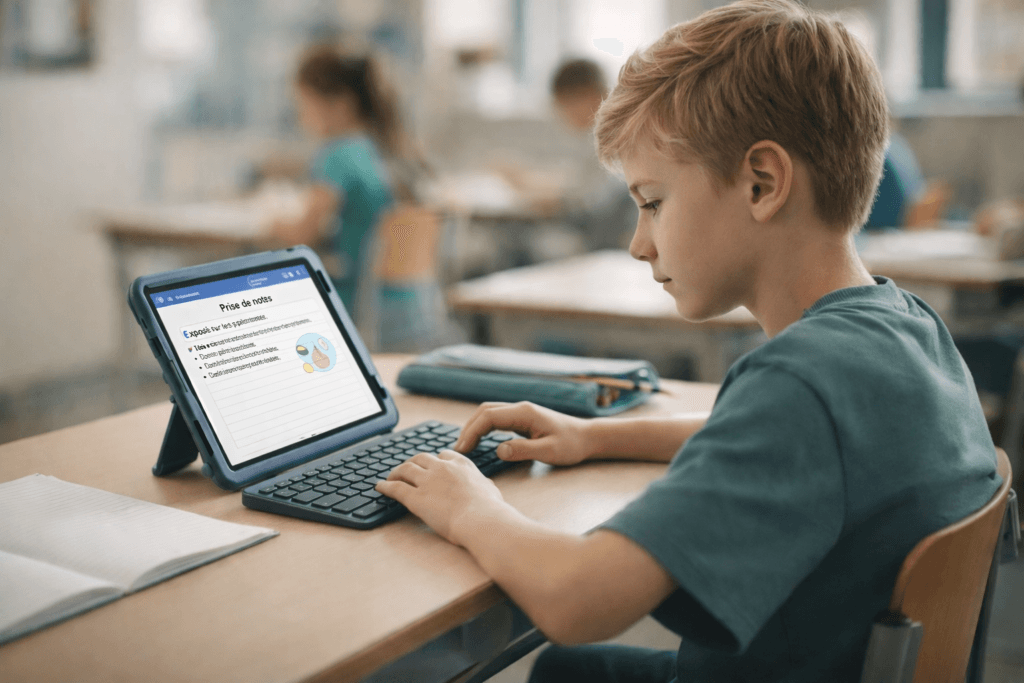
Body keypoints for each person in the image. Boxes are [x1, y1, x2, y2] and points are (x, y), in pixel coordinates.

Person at [374, 1, 1002, 682]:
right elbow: (793, 438)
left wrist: (471, 506)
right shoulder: (904, 326)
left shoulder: (798, 385)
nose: (639, 243)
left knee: (562, 658)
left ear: (761, 183)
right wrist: (596, 434)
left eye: (653, 202)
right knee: (569, 670)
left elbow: (575, 597)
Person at [271, 48, 400, 324]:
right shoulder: (374, 148)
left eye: (305, 106)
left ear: (339, 105)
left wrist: (269, 222)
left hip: (349, 300)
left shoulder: (336, 156)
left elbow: (304, 234)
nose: (301, 117)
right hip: (391, 303)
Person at [550, 58, 639, 251]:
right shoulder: (601, 136)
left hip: (601, 239)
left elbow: (578, 199)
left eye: (564, 104)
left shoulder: (602, 140)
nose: (561, 114)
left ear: (590, 96)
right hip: (606, 235)